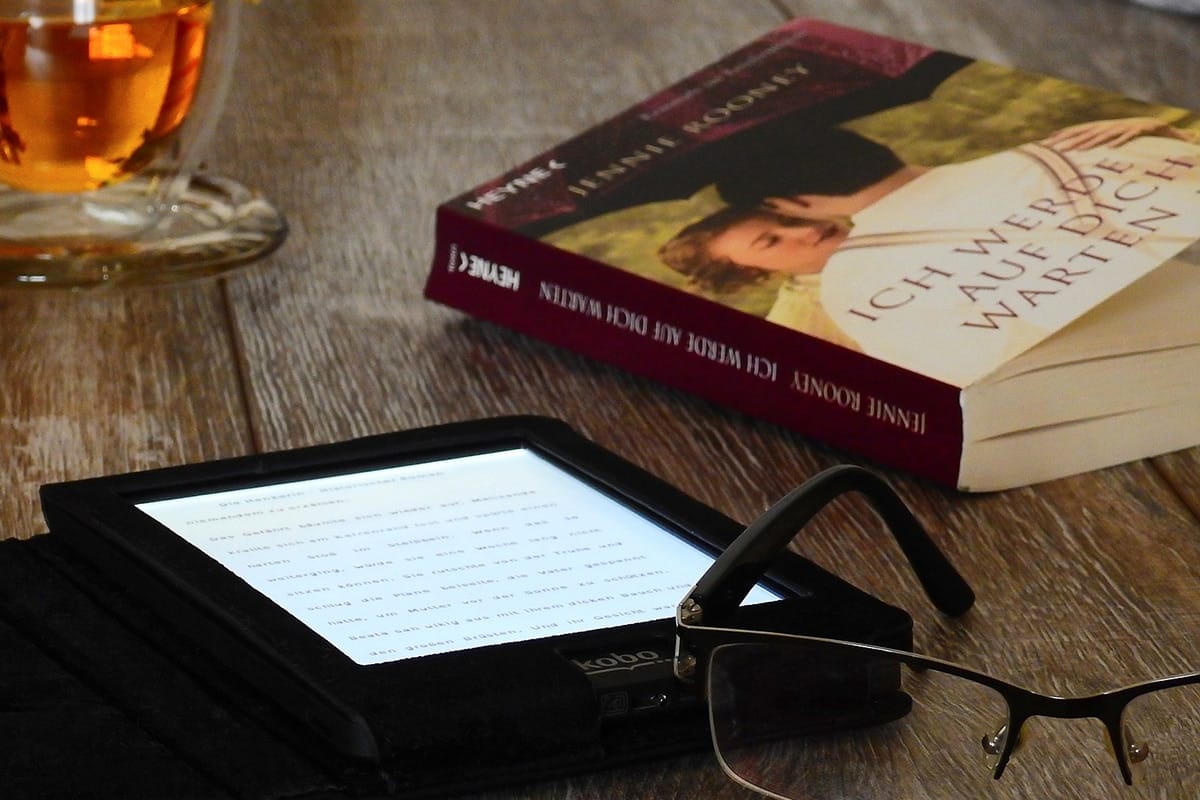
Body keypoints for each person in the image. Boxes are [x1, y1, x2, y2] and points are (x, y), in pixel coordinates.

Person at [658, 118, 1200, 386]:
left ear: (793, 202)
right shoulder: (1101, 145)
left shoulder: (860, 294)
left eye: (780, 222)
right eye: (770, 240)